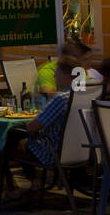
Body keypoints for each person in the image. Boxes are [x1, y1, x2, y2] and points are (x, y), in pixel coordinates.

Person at [12, 56, 79, 206]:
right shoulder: (87, 94)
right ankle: (35, 185)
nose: (54, 76)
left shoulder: (61, 98)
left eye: (57, 72)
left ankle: (29, 186)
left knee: (13, 139)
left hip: (54, 151)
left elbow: (32, 127)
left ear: (68, 75)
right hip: (81, 151)